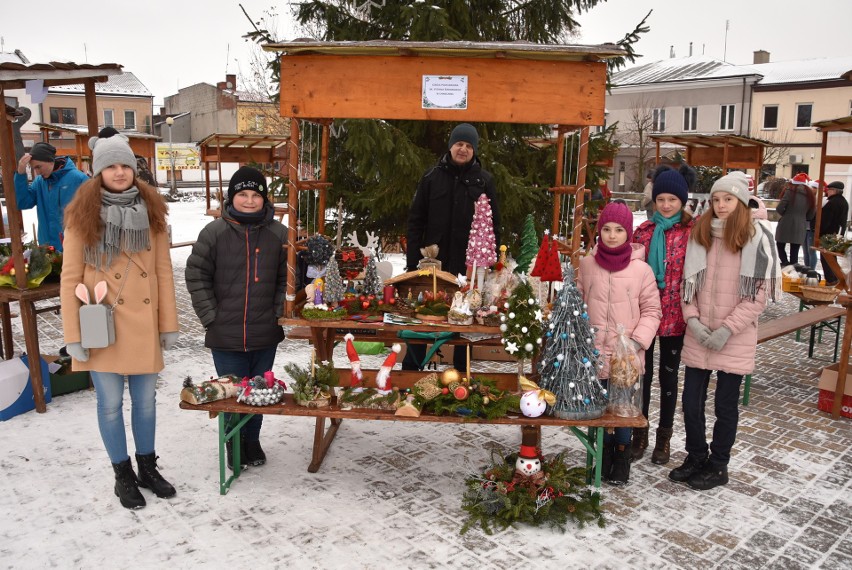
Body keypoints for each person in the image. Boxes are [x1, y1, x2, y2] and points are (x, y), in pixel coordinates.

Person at [60, 133, 179, 510]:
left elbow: (162, 271)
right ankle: (122, 474)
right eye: (111, 165)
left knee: (145, 402)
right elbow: (69, 277)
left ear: (134, 168)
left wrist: (168, 324)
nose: (119, 172)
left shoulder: (153, 210)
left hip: (142, 321)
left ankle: (147, 467)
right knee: (110, 404)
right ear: (98, 171)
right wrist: (73, 334)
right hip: (102, 324)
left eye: (125, 165)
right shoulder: (81, 214)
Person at [670, 171, 781, 490]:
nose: (721, 205)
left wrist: (726, 330)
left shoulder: (756, 237)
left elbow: (757, 297)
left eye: (728, 199)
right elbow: (686, 285)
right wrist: (692, 320)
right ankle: (696, 456)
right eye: (716, 199)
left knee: (724, 406)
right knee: (691, 401)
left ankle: (718, 466)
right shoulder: (701, 234)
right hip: (700, 332)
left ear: (741, 201)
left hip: (733, 336)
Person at [185, 166, 287, 470]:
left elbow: (286, 278)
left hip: (265, 331)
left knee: (259, 391)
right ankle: (233, 441)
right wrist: (210, 316)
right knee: (232, 392)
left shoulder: (278, 235)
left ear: (265, 198)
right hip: (225, 334)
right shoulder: (214, 232)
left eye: (256, 194)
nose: (249, 200)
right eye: (243, 194)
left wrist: (277, 312)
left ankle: (252, 440)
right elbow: (196, 274)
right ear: (232, 197)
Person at [578, 201, 661, 485]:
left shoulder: (642, 271)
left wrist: (637, 342)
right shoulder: (587, 265)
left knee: (623, 410)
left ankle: (622, 457)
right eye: (607, 230)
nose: (612, 236)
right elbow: (579, 303)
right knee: (600, 408)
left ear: (629, 233)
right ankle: (601, 455)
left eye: (618, 230)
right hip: (595, 353)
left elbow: (652, 311)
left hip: (626, 357)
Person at [405, 123, 499, 372]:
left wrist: (490, 266)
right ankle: (411, 375)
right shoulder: (431, 177)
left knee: (464, 326)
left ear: (474, 151)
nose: (463, 149)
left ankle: (461, 377)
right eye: (460, 143)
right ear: (451, 146)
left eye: (469, 146)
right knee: (423, 322)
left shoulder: (484, 182)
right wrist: (411, 265)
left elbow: (494, 225)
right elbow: (416, 223)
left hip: (467, 269)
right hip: (432, 268)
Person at [631, 165, 696, 465]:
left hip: (675, 319)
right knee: (641, 376)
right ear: (654, 200)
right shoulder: (643, 233)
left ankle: (664, 437)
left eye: (672, 199)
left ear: (682, 200)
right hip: (644, 316)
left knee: (668, 380)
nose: (666, 205)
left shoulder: (693, 233)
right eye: (661, 199)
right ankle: (639, 432)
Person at [14, 141, 88, 251]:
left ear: (50, 160)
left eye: (39, 167)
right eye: (34, 168)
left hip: (73, 247)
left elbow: (91, 214)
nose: (37, 172)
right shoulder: (39, 182)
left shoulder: (79, 179)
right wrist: (20, 174)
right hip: (46, 247)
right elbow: (23, 202)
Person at [774, 173, 815, 266]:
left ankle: (785, 262)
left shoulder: (789, 191)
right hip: (801, 225)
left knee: (780, 245)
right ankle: (793, 266)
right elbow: (811, 214)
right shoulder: (810, 195)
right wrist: (803, 217)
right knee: (795, 249)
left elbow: (779, 208)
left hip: (786, 223)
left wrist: (786, 215)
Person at [820, 181, 849, 286]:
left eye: (829, 190)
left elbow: (826, 220)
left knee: (826, 257)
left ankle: (831, 279)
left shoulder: (832, 203)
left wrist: (820, 231)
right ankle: (834, 277)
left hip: (829, 234)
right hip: (837, 233)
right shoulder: (844, 202)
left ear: (834, 191)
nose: (827, 192)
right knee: (831, 257)